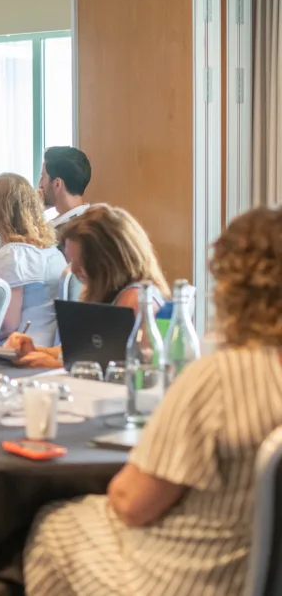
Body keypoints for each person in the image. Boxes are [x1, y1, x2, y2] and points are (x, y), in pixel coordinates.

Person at [25, 206, 282, 596]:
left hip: (186, 578)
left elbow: (132, 503)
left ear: (233, 288)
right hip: (254, 573)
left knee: (53, 525)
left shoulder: (219, 378)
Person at [6, 204, 170, 368]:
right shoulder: (104, 290)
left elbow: (124, 372)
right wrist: (35, 350)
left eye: (82, 264)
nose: (74, 270)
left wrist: (53, 366)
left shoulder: (136, 300)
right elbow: (81, 352)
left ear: (109, 261)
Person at [0, 173, 66, 346]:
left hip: (17, 353)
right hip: (49, 351)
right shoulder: (53, 252)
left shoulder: (12, 256)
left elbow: (8, 324)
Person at [39, 146, 92, 245]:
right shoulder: (90, 219)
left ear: (57, 184)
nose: (40, 185)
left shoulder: (72, 232)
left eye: (43, 177)